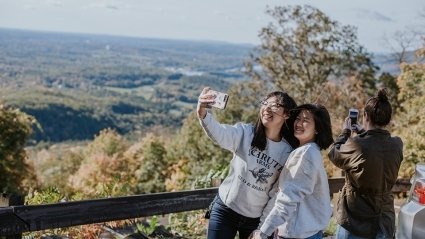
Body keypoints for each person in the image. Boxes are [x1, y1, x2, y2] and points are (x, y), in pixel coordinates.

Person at [197, 87, 298, 239]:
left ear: (286, 114)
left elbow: (277, 194)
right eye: (265, 103)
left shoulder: (288, 153)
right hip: (225, 209)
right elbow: (220, 134)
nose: (267, 108)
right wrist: (202, 113)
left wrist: (264, 227)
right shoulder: (246, 133)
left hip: (256, 220)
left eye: (275, 105)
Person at [328, 88, 403, 239]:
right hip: (384, 219)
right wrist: (363, 132)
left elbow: (333, 153)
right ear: (387, 119)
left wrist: (345, 132)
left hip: (355, 221)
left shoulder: (356, 145)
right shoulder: (397, 144)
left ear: (366, 116)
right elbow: (376, 145)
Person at [251, 103, 334, 239]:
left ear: (318, 128)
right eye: (298, 118)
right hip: (305, 233)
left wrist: (263, 232)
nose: (299, 123)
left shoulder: (306, 154)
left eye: (306, 120)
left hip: (299, 235)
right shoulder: (309, 151)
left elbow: (288, 198)